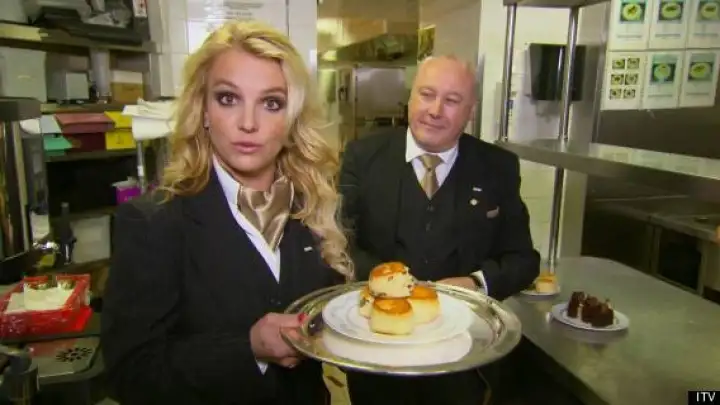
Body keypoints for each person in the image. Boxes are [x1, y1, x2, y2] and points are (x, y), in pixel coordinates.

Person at [101, 20, 353, 405]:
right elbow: (130, 374)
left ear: (291, 119)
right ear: (203, 110)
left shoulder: (313, 209)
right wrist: (248, 348)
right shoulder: (155, 223)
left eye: (271, 103)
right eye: (228, 98)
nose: (248, 123)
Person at [339, 55, 540, 405]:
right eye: (427, 94)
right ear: (410, 98)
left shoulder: (498, 167)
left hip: (463, 359)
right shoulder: (363, 156)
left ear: (470, 112)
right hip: (379, 355)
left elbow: (523, 260)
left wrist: (476, 283)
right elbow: (339, 243)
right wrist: (385, 284)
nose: (435, 110)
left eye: (452, 100)